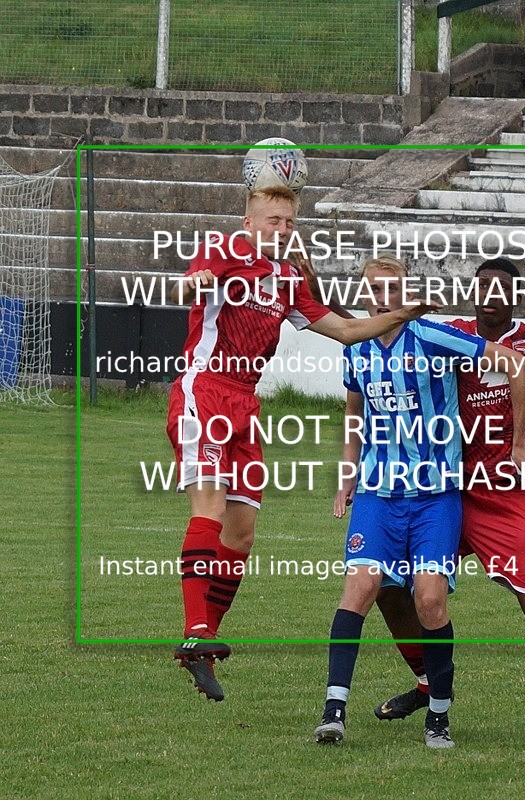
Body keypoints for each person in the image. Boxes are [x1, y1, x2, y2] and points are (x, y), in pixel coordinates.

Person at [167, 187, 440, 702]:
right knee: (209, 505)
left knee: (242, 533)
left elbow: (345, 329)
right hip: (203, 389)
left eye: (289, 222)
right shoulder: (224, 250)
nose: (282, 229)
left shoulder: (289, 279)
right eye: (273, 220)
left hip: (245, 403)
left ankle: (205, 639)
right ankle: (195, 633)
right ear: (248, 220)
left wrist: (403, 315)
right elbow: (186, 288)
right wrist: (196, 282)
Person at [373, 256, 525, 744]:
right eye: (482, 284)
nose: (490, 293)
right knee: (386, 584)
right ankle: (428, 683)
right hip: (445, 492)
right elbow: (382, 336)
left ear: (515, 297)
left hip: (508, 498)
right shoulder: (452, 335)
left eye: (500, 287)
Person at [314, 256, 525, 748]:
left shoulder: (435, 337)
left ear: (405, 291)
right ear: (366, 293)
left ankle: (438, 714)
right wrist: (347, 474)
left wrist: (519, 440)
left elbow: (515, 364)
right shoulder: (357, 347)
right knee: (359, 590)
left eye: (394, 287)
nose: (385, 295)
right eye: (376, 287)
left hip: (435, 496)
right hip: (376, 493)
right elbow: (354, 413)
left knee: (430, 600)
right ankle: (333, 712)